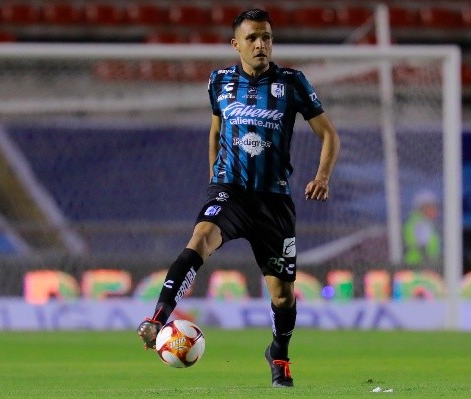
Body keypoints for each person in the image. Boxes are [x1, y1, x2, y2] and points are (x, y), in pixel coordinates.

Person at [137, 8, 341, 388]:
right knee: (199, 239)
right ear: (236, 44)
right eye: (252, 38)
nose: (261, 44)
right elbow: (216, 129)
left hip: (274, 201)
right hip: (230, 192)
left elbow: (328, 133)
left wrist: (322, 176)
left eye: (266, 37)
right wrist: (215, 176)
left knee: (282, 296)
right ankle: (158, 318)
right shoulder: (219, 82)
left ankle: (278, 352)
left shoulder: (293, 83)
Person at [403, 189, 441, 267]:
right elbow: (423, 246)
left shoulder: (419, 221)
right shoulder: (420, 224)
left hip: (418, 263)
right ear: (423, 207)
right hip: (419, 264)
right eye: (431, 206)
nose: (435, 209)